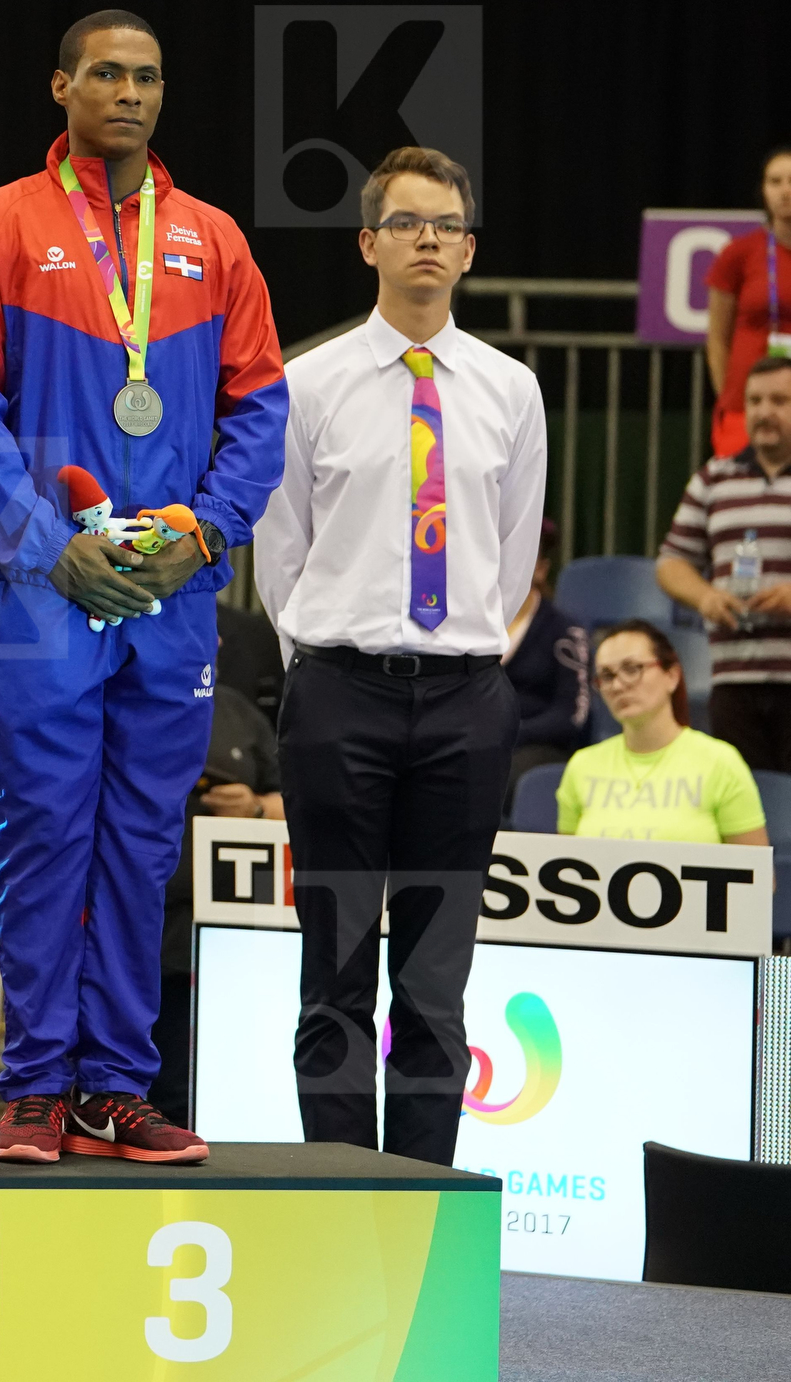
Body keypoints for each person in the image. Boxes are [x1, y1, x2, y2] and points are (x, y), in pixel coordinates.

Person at [0, 9, 283, 1165]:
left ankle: (115, 1087)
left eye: (147, 76)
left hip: (172, 585)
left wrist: (206, 530)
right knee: (43, 832)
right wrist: (41, 540)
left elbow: (259, 408)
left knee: (140, 841)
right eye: (106, 74)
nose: (128, 92)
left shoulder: (215, 242)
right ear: (61, 87)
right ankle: (35, 1083)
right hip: (49, 585)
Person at [257, 145, 546, 1168]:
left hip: (466, 704)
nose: (427, 238)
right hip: (338, 696)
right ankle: (342, 1195)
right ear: (367, 242)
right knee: (332, 968)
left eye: (445, 225)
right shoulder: (307, 385)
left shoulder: (511, 392)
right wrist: (327, 661)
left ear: (467, 251)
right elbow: (278, 552)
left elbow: (512, 561)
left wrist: (455, 651)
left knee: (432, 979)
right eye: (406, 222)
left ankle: (420, 1206)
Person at [155, 689, 286, 1127]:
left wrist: (255, 808)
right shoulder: (115, 697)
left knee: (228, 1075)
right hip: (145, 923)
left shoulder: (240, 713)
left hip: (237, 928)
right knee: (156, 1083)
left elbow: (301, 800)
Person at [656, 355, 791, 775]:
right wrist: (706, 596)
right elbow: (671, 563)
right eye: (754, 401)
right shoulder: (713, 479)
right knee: (744, 809)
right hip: (733, 680)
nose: (764, 411)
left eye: (779, 400)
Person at [558, 622, 769, 844]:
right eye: (607, 676)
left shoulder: (721, 762)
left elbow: (757, 876)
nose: (618, 686)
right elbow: (565, 867)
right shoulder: (581, 766)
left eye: (632, 669)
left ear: (672, 676)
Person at [698, 146, 791, 458]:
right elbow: (717, 337)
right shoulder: (738, 253)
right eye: (775, 182)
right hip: (746, 405)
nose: (785, 191)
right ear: (763, 191)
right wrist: (728, 395)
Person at [505, 518, 590, 793]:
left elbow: (570, 715)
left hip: (536, 748)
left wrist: (508, 735)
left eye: (521, 555)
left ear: (541, 569)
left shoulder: (566, 632)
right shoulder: (466, 627)